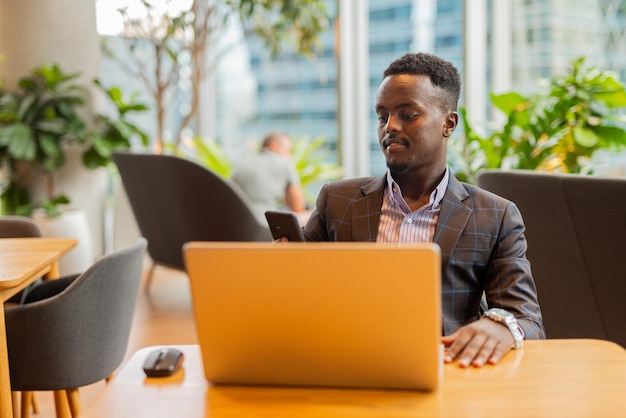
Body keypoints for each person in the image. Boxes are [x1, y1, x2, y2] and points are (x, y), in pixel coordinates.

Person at [302, 52, 545, 368]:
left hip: (446, 373)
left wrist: (499, 326)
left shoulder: (495, 215)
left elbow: (527, 319)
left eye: (408, 114)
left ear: (448, 123)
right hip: (349, 366)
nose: (390, 126)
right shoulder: (337, 200)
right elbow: (297, 293)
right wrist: (278, 271)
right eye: (382, 115)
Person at [232, 131, 306, 221]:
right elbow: (297, 207)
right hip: (265, 225)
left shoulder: (242, 163)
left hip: (237, 222)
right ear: (273, 146)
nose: (290, 155)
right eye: (288, 150)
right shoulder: (284, 163)